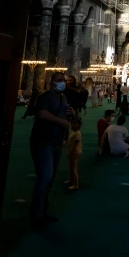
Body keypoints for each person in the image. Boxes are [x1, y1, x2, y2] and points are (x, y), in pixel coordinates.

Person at [29, 71, 74, 229]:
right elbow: (42, 114)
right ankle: (36, 215)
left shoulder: (63, 97)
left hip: (56, 142)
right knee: (44, 178)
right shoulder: (45, 97)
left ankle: (42, 210)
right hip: (43, 141)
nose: (63, 82)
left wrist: (70, 115)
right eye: (59, 80)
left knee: (50, 179)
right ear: (51, 82)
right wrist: (62, 123)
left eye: (64, 80)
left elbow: (65, 116)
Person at [65, 116, 82, 190]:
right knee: (71, 167)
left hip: (74, 152)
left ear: (79, 125)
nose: (72, 125)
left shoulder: (77, 133)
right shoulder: (73, 131)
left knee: (74, 168)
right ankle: (71, 179)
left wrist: (71, 153)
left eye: (75, 124)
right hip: (71, 152)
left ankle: (76, 184)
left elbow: (75, 145)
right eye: (72, 123)